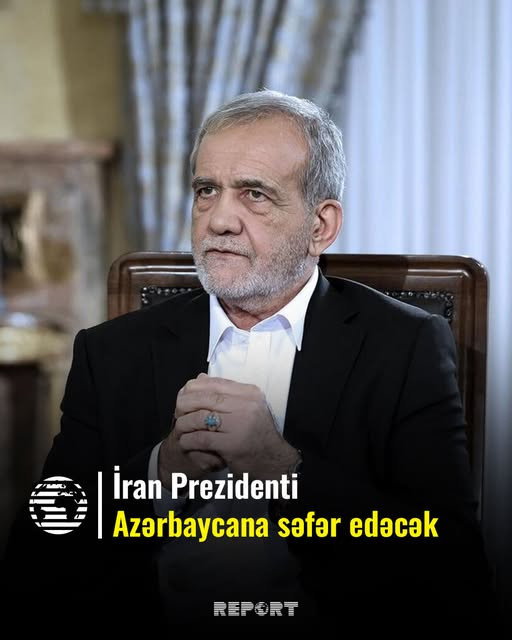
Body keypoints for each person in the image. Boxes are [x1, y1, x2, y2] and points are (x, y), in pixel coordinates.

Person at [1, 89, 501, 631]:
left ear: (320, 226)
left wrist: (280, 469)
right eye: (206, 190)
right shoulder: (112, 352)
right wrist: (159, 473)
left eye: (254, 194)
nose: (219, 220)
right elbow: (37, 554)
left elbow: (452, 572)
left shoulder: (403, 348)